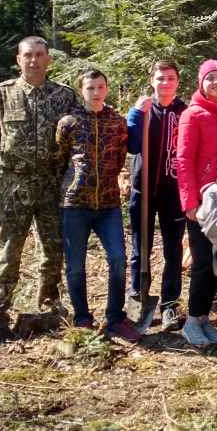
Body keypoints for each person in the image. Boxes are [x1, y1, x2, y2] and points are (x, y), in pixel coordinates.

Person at [0, 35, 80, 352]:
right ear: (18, 59)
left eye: (39, 55)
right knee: (8, 255)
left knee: (52, 253)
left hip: (51, 185)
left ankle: (49, 311)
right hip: (14, 187)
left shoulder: (64, 96)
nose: (33, 60)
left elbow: (79, 143)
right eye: (27, 55)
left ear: (48, 59)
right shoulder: (2, 95)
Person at [55, 69, 141, 342]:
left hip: (108, 204)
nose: (96, 92)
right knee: (76, 265)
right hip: (74, 204)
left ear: (107, 89)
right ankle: (82, 318)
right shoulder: (68, 122)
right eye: (90, 87)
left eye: (100, 87)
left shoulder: (116, 121)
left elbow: (119, 159)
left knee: (117, 258)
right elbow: (58, 159)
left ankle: (115, 318)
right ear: (82, 90)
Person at [175, 59, 217, 348]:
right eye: (210, 78)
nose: (216, 82)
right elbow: (183, 159)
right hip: (203, 201)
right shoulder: (192, 115)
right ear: (201, 83)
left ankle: (204, 318)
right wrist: (189, 200)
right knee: (202, 262)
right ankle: (191, 321)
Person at [125, 60, 187, 331]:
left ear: (177, 81)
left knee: (173, 249)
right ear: (152, 80)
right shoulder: (143, 109)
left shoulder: (184, 111)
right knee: (141, 247)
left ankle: (170, 303)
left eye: (170, 78)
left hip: (174, 191)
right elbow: (132, 144)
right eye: (161, 78)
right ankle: (138, 296)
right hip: (145, 189)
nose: (165, 83)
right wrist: (138, 114)